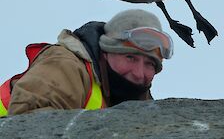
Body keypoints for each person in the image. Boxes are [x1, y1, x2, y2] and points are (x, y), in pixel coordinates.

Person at [0, 9, 173, 116]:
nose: (139, 73)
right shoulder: (65, 65)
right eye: (130, 58)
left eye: (150, 64)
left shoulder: (137, 97)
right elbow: (28, 120)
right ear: (106, 53)